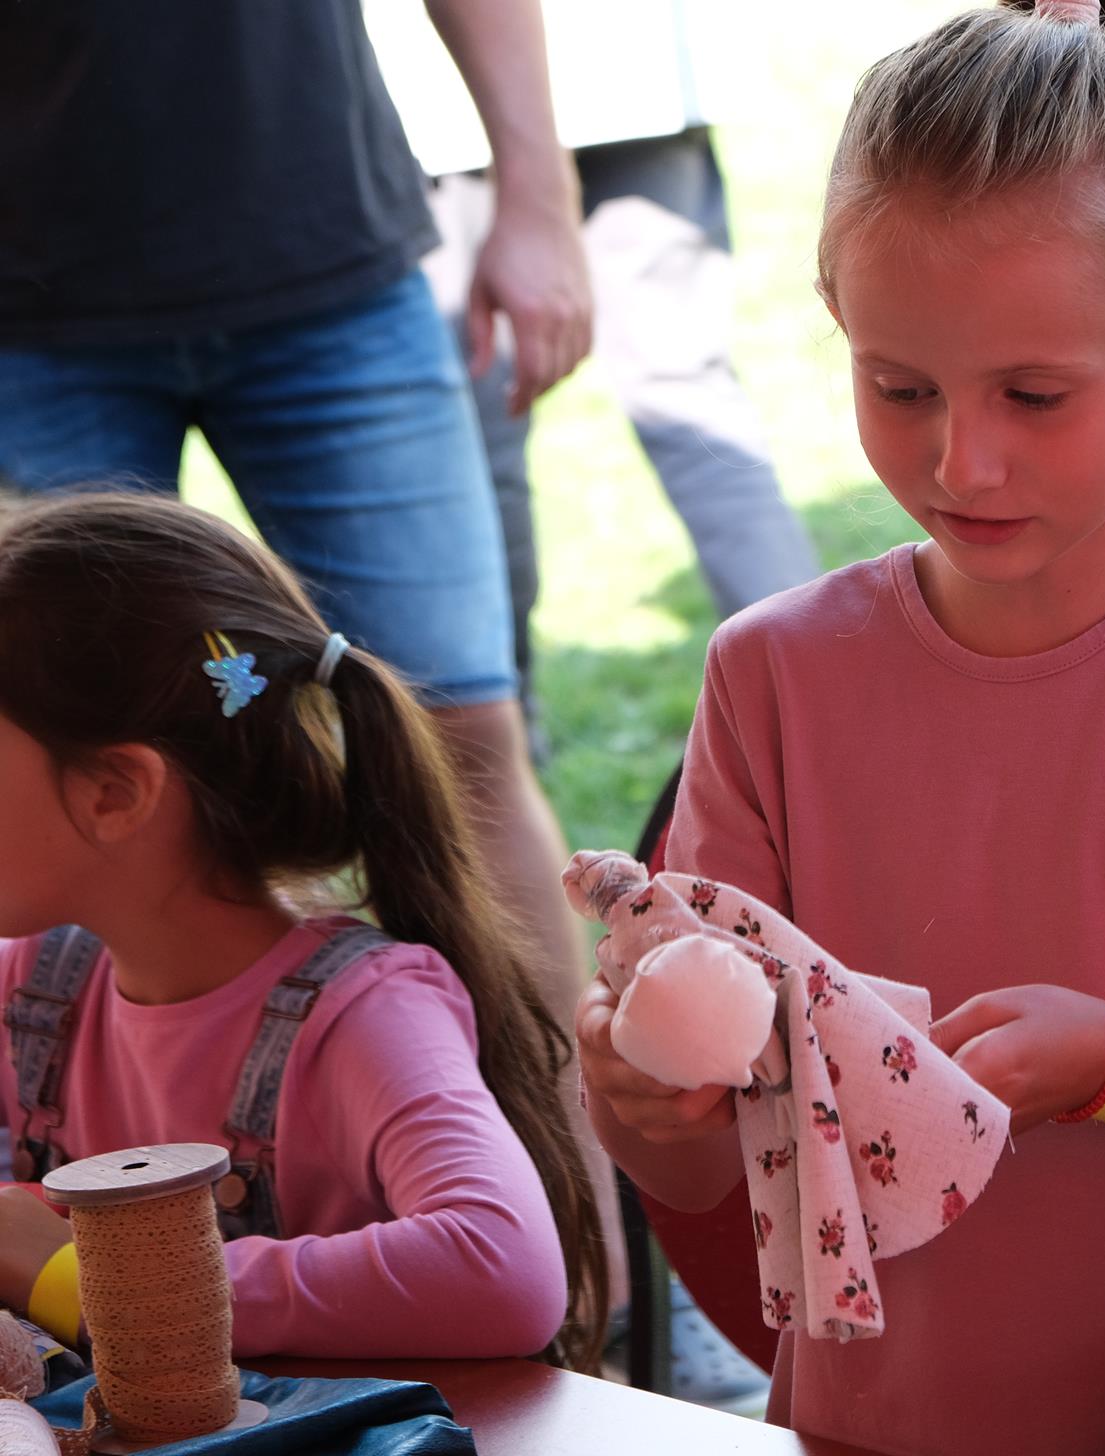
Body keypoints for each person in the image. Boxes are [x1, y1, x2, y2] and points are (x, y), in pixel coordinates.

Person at [576, 4, 1105, 1452]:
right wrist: (641, 1092)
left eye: (1034, 396)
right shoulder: (773, 675)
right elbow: (701, 1170)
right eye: (899, 387)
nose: (961, 460)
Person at [0, 0, 595, 1012]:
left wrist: (539, 192)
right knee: (69, 775)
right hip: (33, 303)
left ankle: (552, 1115)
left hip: (330, 261)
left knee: (460, 732)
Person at [0, 493, 608, 1366]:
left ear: (115, 793)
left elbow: (503, 1272)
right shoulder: (37, 987)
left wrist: (91, 1280)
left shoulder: (363, 1014)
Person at [369, 0, 821, 758]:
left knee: (485, 432)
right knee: (684, 398)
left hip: (474, 102)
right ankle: (818, 699)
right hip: (625, 70)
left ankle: (499, 748)